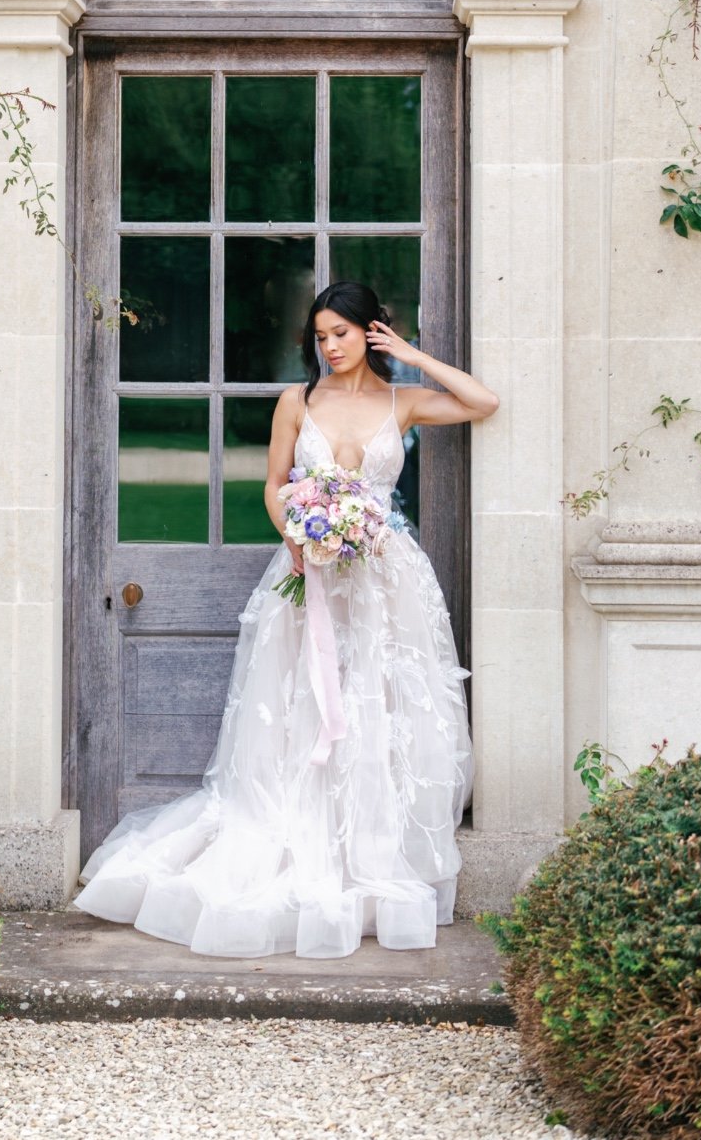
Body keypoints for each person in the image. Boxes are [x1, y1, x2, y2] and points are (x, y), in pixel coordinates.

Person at [73, 280, 501, 959]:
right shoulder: (296, 402)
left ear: (372, 332)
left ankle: (370, 856)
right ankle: (304, 847)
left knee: (382, 711)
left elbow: (485, 401)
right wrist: (299, 538)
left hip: (388, 581)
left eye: (343, 332)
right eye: (321, 335)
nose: (330, 346)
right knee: (299, 711)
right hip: (310, 576)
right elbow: (274, 484)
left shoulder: (405, 401)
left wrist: (412, 354)